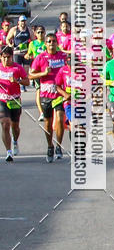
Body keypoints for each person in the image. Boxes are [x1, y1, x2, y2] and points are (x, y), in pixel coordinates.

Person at [29, 31, 68, 162]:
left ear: (57, 43)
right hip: (45, 94)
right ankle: (50, 146)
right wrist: (43, 73)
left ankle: (58, 146)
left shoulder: (63, 56)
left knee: (60, 118)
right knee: (48, 123)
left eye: (54, 41)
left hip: (59, 93)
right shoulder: (40, 57)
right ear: (45, 44)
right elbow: (30, 75)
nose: (52, 43)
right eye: (49, 41)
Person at [0, 44, 28, 160]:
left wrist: (17, 81)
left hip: (15, 100)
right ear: (1, 57)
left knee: (15, 127)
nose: (6, 60)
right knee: (5, 124)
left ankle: (15, 141)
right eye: (4, 57)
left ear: (12, 57)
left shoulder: (17, 68)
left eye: (9, 57)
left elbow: (27, 81)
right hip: (2, 100)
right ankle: (9, 152)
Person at [26, 25, 46, 119]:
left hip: (47, 70)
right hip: (36, 70)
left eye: (42, 32)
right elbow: (29, 54)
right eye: (38, 32)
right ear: (35, 34)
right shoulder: (32, 44)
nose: (40, 34)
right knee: (39, 90)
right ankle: (41, 112)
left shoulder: (48, 42)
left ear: (45, 33)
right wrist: (27, 56)